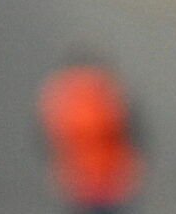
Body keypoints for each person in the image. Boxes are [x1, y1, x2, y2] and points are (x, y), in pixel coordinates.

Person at [38, 57, 143, 214]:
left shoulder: (58, 96)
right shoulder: (107, 91)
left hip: (81, 179)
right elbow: (130, 131)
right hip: (108, 178)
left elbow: (48, 140)